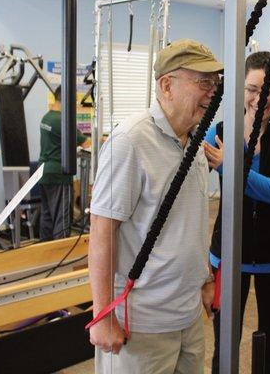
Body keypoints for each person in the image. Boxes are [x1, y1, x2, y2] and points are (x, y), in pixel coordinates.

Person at [88, 39, 223, 374]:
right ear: (167, 85)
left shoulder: (195, 142)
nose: (213, 92)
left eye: (216, 83)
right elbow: (102, 232)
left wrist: (205, 280)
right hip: (142, 321)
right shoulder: (130, 142)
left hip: (187, 316)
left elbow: (189, 225)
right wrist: (102, 316)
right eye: (203, 82)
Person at [203, 51, 270, 374]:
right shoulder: (220, 130)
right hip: (227, 257)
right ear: (240, 88)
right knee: (224, 347)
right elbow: (189, 183)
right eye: (251, 88)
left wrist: (230, 168)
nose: (259, 98)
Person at [38, 85, 90, 241]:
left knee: (47, 218)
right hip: (59, 175)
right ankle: (61, 256)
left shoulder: (46, 118)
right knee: (62, 219)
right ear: (67, 100)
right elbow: (86, 143)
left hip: (44, 173)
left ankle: (44, 253)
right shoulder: (62, 121)